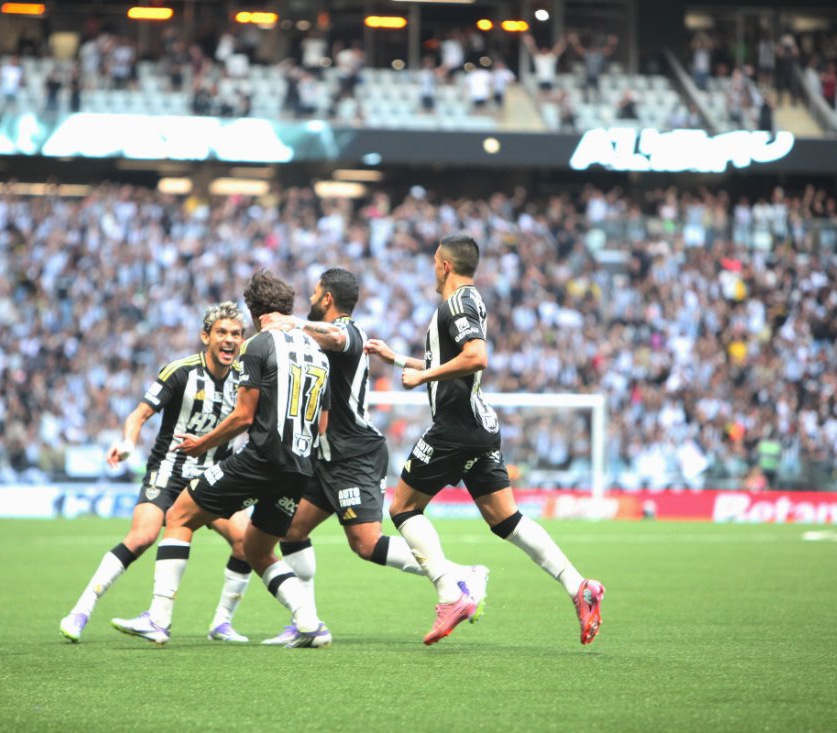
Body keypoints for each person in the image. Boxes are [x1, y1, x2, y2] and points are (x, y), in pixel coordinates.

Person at [365, 233, 605, 646]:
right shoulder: (472, 301)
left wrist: (421, 376)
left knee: (402, 508)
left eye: (433, 263)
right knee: (505, 520)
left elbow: (476, 356)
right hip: (478, 427)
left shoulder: (456, 304)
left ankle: (450, 592)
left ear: (444, 265)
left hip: (455, 428)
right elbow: (453, 361)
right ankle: (577, 586)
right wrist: (401, 359)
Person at [111, 271, 334, 648]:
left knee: (179, 514)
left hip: (262, 459)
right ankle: (310, 623)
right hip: (300, 467)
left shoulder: (258, 346)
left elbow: (243, 417)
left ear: (254, 311)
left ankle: (159, 618)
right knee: (257, 549)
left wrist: (203, 444)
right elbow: (322, 425)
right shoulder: (318, 354)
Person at [259, 268, 481, 645]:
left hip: (353, 454)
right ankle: (307, 623)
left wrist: (289, 323)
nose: (309, 300)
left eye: (314, 293)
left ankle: (459, 574)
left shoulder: (349, 331)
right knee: (291, 530)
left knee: (365, 544)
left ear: (327, 298)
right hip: (324, 455)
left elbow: (338, 337)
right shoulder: (321, 338)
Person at [59, 303, 254, 644]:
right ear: (205, 336)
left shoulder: (245, 378)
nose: (229, 340)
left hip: (214, 476)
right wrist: (128, 443)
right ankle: (81, 610)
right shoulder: (180, 372)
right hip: (169, 471)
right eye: (221, 333)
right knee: (142, 536)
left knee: (244, 542)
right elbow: (139, 413)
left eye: (236, 334)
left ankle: (221, 623)